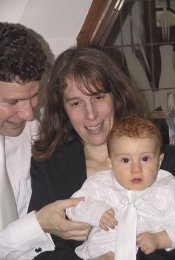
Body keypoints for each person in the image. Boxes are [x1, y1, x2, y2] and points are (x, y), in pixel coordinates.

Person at [28, 46, 175, 259]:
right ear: (63, 109)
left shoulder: (167, 161)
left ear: (116, 96)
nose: (91, 114)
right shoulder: (47, 166)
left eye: (98, 98)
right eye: (76, 103)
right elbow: (40, 249)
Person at [0, 22, 90, 259]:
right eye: (12, 103)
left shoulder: (31, 132)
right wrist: (37, 223)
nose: (29, 114)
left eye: (33, 97)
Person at [67, 116, 175, 260]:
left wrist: (159, 239)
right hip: (99, 253)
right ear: (110, 163)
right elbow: (72, 206)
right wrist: (94, 211)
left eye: (145, 159)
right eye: (125, 160)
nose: (136, 169)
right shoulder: (99, 184)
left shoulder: (169, 188)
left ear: (159, 161)